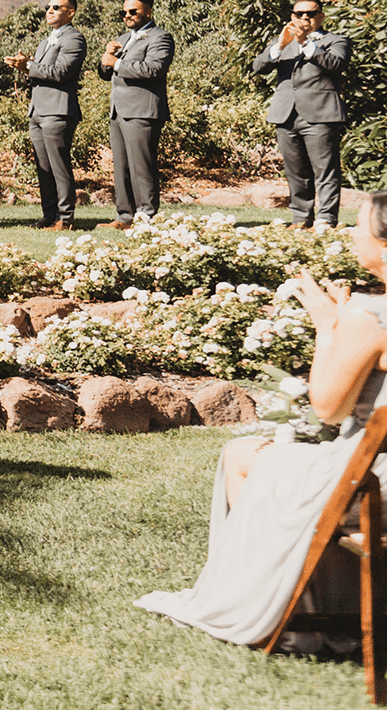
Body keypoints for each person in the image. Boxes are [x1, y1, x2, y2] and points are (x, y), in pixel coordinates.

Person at [136, 190, 387, 647]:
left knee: (241, 456)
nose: (351, 232)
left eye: (360, 224)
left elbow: (327, 409)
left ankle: (261, 610)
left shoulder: (369, 316)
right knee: (250, 453)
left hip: (369, 480)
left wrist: (326, 326)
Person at [250, 0, 350, 230]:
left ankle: (325, 219)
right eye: (299, 14)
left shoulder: (336, 40)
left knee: (325, 171)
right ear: (292, 16)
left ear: (321, 16)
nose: (304, 18)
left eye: (310, 14)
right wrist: (279, 47)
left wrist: (305, 43)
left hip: (321, 114)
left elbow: (335, 64)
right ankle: (301, 218)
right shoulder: (283, 42)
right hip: (286, 115)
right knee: (295, 171)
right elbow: (258, 67)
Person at [6, 0, 88, 230]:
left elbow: (61, 72)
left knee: (59, 166)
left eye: (56, 7)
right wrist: (23, 66)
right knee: (44, 167)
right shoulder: (45, 41)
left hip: (58, 109)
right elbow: (40, 72)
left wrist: (28, 66)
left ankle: (66, 218)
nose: (49, 10)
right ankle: (49, 215)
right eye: (47, 7)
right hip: (38, 110)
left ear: (70, 12)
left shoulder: (74, 39)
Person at [98, 0, 175, 229]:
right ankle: (124, 216)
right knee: (121, 167)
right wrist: (106, 58)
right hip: (118, 110)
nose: (128, 16)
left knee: (142, 166)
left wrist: (118, 63)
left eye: (133, 11)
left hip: (143, 110)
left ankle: (146, 216)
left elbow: (154, 69)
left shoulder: (160, 37)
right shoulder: (123, 38)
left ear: (148, 12)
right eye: (124, 12)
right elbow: (105, 73)